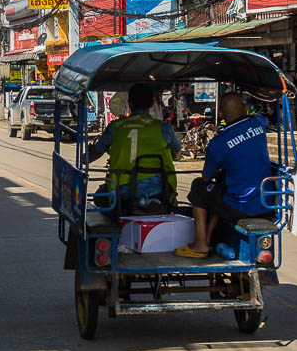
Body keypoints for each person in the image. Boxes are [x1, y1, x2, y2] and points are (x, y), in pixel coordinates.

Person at [175, 92, 273, 258]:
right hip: (265, 203)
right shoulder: (257, 122)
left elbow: (206, 177)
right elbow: (261, 118)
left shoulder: (218, 143)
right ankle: (207, 238)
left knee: (199, 186)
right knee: (220, 190)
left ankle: (200, 244)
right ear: (244, 108)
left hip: (238, 206)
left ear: (220, 114)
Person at [89, 83, 181, 210]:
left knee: (100, 196)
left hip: (123, 189)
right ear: (153, 103)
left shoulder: (115, 127)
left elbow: (94, 154)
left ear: (130, 103)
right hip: (160, 188)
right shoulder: (164, 127)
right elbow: (177, 155)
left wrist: (83, 159)